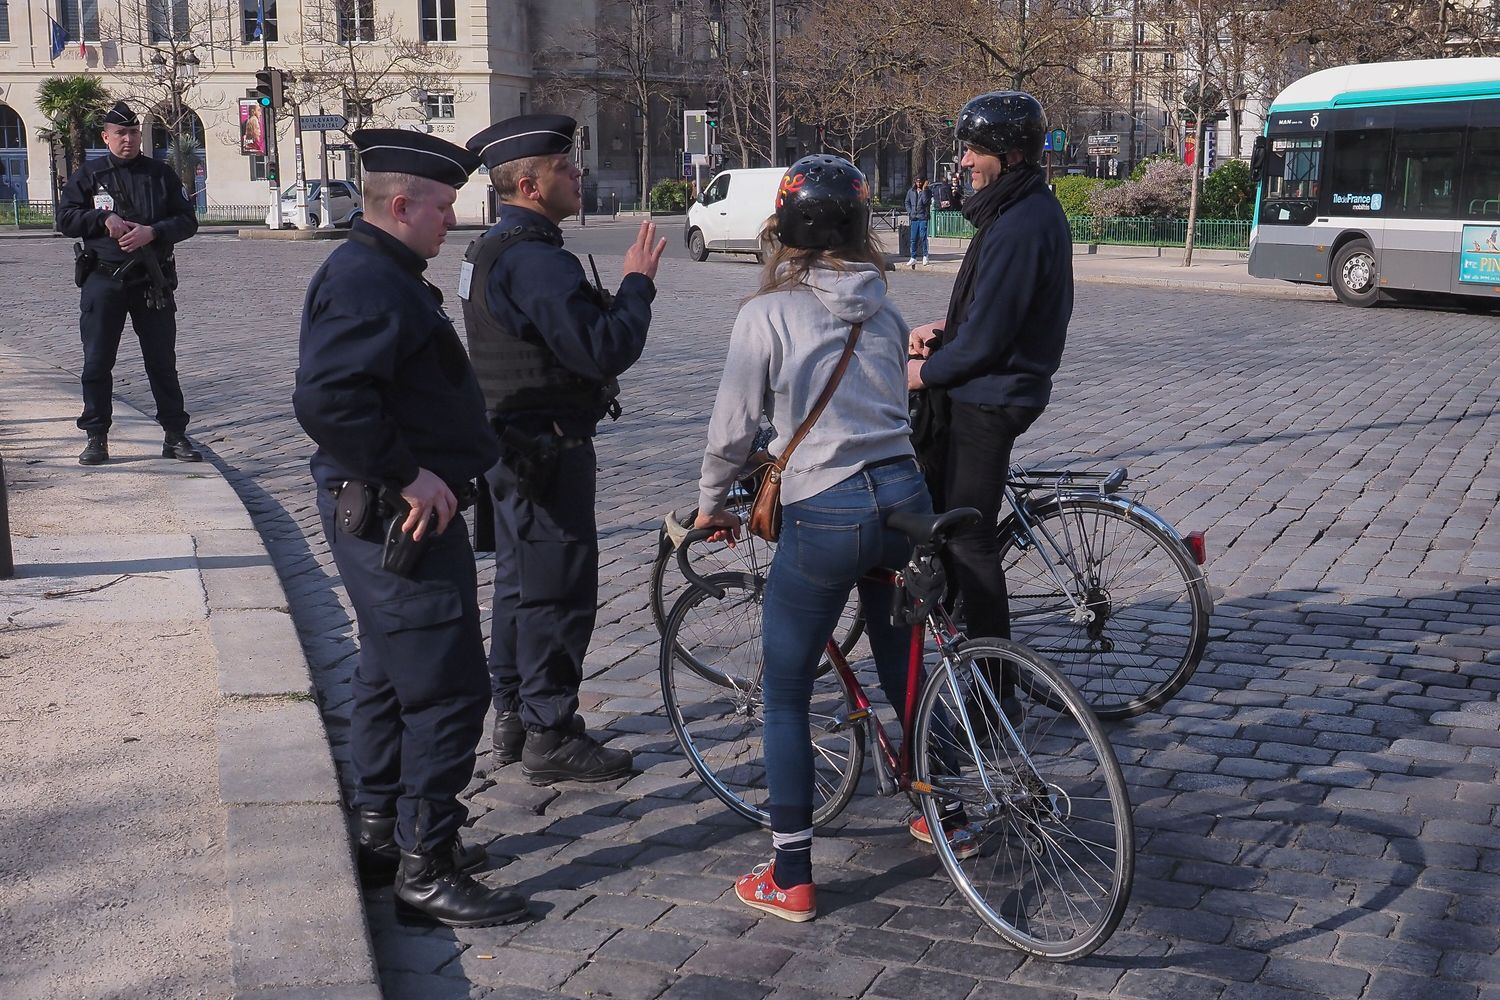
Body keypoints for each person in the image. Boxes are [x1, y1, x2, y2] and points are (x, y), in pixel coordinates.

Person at [693, 154, 957, 923]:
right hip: (903, 496)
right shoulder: (882, 305)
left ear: (783, 230)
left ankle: (792, 873)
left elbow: (733, 431)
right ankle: (947, 816)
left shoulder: (765, 313)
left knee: (783, 690)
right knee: (906, 667)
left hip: (828, 507)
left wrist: (714, 503)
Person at [293, 128, 528, 929]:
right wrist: (408, 471)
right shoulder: (368, 279)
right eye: (441, 205)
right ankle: (427, 864)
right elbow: (328, 400)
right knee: (448, 687)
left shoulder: (382, 270)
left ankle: (382, 835)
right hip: (400, 517)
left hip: (400, 512)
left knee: (389, 674)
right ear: (401, 205)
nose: (451, 219)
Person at [461, 114, 665, 785]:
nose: (577, 175)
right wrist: (635, 285)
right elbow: (603, 347)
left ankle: (516, 718)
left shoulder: (495, 249)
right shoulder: (534, 261)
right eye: (565, 168)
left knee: (523, 587)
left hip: (513, 447)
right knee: (558, 590)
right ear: (528, 182)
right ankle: (551, 731)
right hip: (544, 450)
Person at [906, 91, 1073, 662]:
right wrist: (943, 331)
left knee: (968, 537)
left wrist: (922, 373)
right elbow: (990, 317)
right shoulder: (1017, 207)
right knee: (958, 526)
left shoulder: (1021, 222)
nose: (965, 161)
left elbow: (989, 339)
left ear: (1008, 154)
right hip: (991, 386)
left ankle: (993, 690)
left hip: (991, 397)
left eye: (975, 149)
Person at [57, 101, 202, 467]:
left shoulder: (160, 174)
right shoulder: (89, 176)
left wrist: (152, 231)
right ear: (106, 137)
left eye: (134, 132)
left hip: (151, 281)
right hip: (104, 279)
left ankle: (174, 434)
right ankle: (96, 437)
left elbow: (187, 220)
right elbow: (66, 219)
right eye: (120, 133)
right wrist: (100, 219)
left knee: (162, 362)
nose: (128, 139)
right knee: (97, 362)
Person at [903, 174, 931, 268]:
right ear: (915, 182)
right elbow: (907, 202)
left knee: (923, 237)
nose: (919, 183)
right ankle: (913, 257)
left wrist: (924, 190)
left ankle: (925, 255)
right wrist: (910, 211)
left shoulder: (926, 191)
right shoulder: (911, 191)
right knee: (913, 238)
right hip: (914, 217)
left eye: (920, 182)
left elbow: (925, 201)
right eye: (917, 182)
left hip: (923, 217)